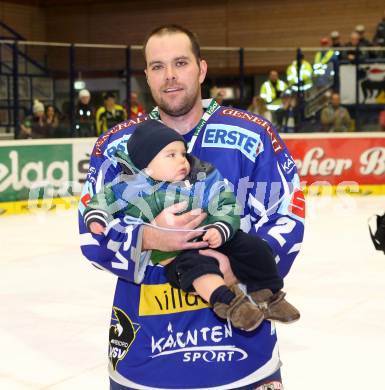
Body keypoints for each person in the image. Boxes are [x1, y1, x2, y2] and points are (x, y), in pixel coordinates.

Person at [79, 24, 305, 390]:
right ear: (147, 76)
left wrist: (233, 266)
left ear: (201, 69)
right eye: (157, 66)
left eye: (180, 63)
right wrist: (153, 237)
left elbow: (287, 217)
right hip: (145, 359)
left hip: (242, 356)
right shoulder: (116, 146)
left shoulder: (254, 135)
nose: (169, 76)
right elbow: (91, 237)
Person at [83, 119, 300, 332]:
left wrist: (221, 227)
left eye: (182, 153)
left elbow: (225, 203)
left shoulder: (201, 178)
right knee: (197, 269)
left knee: (252, 246)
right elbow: (105, 198)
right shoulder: (130, 186)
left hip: (212, 235)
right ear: (147, 165)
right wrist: (96, 216)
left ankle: (269, 295)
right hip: (177, 254)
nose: (182, 160)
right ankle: (231, 305)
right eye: (171, 155)